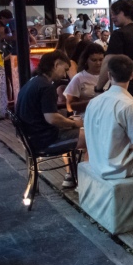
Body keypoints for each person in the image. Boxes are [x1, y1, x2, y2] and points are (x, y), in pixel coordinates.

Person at [15, 51, 84, 188]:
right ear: (56, 64)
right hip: (42, 142)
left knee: (77, 130)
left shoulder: (33, 81)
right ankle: (84, 182)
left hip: (29, 139)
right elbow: (52, 118)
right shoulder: (46, 87)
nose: (65, 75)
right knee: (90, 136)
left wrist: (68, 123)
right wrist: (75, 123)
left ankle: (72, 176)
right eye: (64, 69)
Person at [84, 55, 133, 179]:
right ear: (132, 75)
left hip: (96, 163)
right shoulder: (127, 105)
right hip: (117, 168)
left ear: (109, 75)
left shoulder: (94, 102)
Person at [96, 0, 133, 111]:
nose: (112, 17)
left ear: (127, 13)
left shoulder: (119, 34)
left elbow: (108, 62)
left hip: (128, 92)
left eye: (116, 13)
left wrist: (98, 88)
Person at [63, 43, 105, 115]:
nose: (98, 63)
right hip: (85, 118)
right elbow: (69, 107)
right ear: (86, 60)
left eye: (101, 60)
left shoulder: (109, 76)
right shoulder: (79, 78)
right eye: (94, 60)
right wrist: (93, 102)